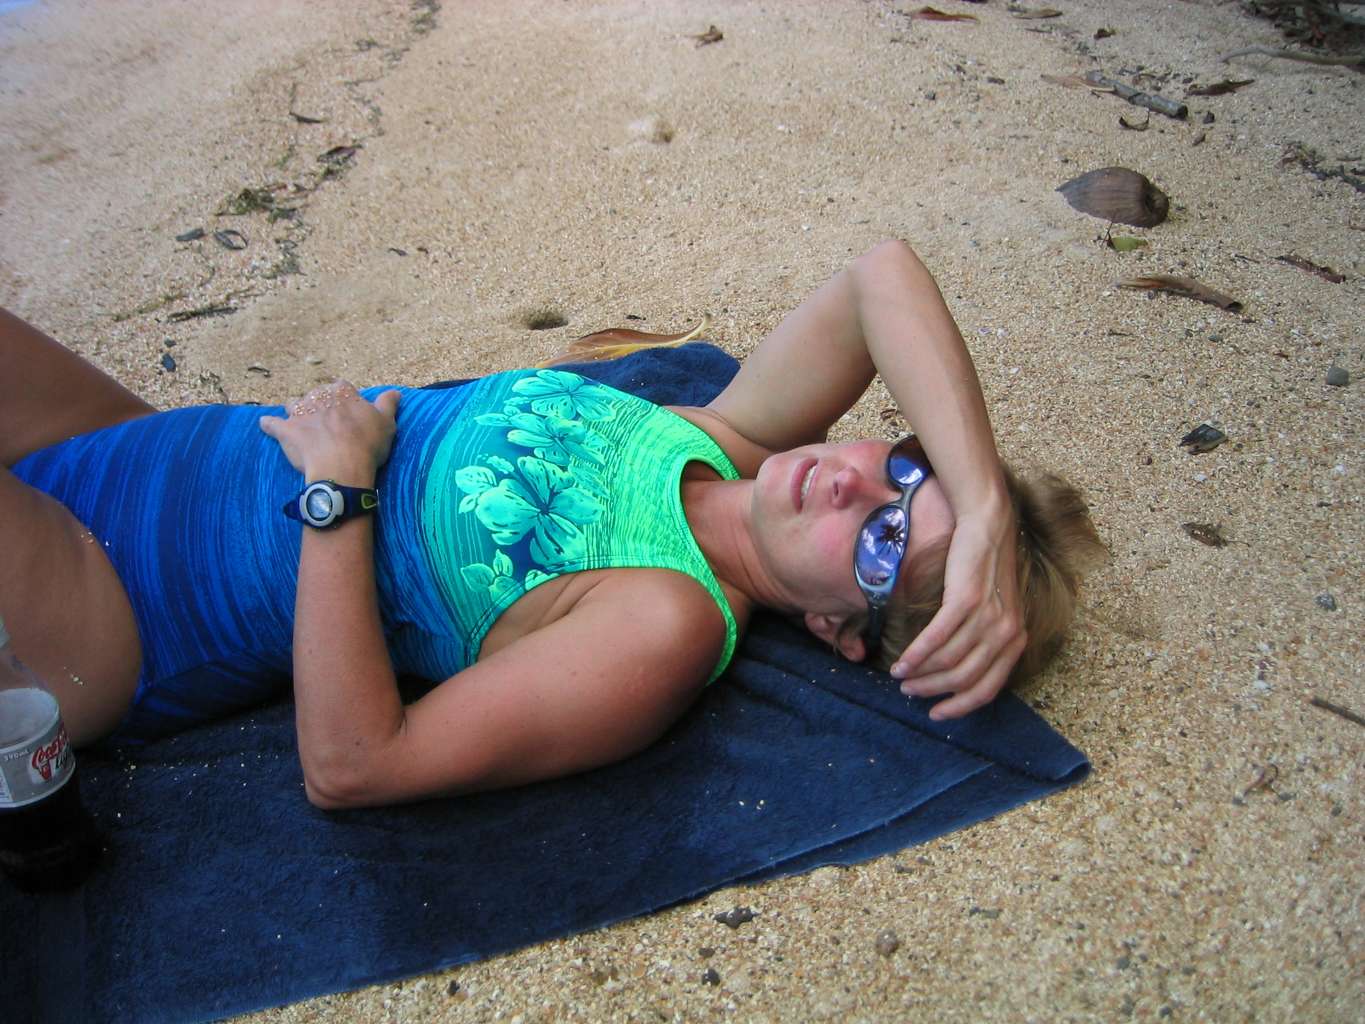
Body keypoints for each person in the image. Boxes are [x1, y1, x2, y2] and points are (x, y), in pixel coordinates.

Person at [1, 240, 1103, 809]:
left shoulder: (665, 617)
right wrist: (982, 506)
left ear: (837, 631)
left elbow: (355, 766)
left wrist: (337, 491)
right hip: (137, 446)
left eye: (884, 541)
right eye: (904, 465)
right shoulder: (724, 434)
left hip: (121, 600)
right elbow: (879, 276)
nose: (854, 487)